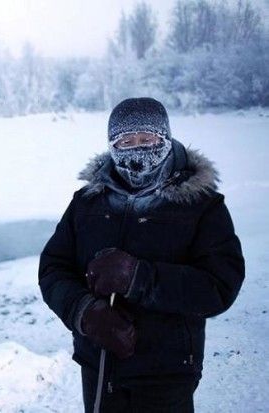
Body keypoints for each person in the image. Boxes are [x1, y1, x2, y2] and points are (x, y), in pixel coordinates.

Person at [38, 97, 245, 412]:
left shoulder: (202, 205)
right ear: (112, 145)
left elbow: (219, 286)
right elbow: (53, 269)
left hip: (167, 372)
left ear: (165, 139)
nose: (137, 150)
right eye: (125, 141)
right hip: (100, 367)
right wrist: (84, 312)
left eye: (147, 139)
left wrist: (138, 277)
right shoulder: (87, 202)